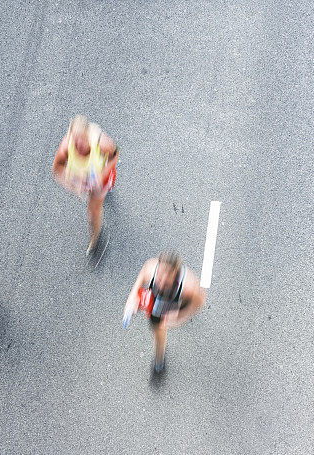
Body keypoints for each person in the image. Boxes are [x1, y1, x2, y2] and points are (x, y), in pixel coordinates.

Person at [123, 251, 206, 373]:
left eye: (167, 280)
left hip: (179, 299)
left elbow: (199, 302)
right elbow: (142, 276)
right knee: (158, 328)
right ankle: (159, 359)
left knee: (179, 308)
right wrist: (133, 295)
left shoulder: (189, 286)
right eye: (160, 277)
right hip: (160, 302)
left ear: (175, 275)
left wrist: (180, 318)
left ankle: (159, 360)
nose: (161, 283)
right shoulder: (151, 268)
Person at [51, 115, 119, 257]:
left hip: (101, 177)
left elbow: (115, 154)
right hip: (83, 178)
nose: (80, 145)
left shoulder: (102, 143)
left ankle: (96, 241)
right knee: (93, 206)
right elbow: (57, 170)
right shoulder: (66, 148)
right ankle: (97, 237)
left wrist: (102, 175)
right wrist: (73, 187)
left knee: (93, 213)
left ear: (89, 135)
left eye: (83, 140)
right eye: (76, 141)